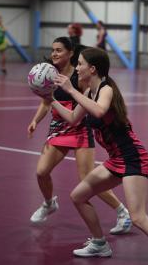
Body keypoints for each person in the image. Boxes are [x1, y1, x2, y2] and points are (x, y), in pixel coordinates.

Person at [51, 47, 148, 265]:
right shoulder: (89, 90)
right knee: (78, 196)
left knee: (138, 217)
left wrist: (69, 90)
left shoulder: (106, 89)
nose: (76, 68)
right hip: (115, 160)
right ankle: (99, 243)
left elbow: (99, 110)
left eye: (79, 64)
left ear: (92, 69)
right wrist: (51, 100)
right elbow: (71, 118)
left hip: (132, 158)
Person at [28, 37, 132, 235]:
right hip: (59, 127)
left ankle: (122, 212)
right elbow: (46, 101)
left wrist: (72, 92)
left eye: (59, 50)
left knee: (87, 178)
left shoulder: (79, 77)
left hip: (79, 127)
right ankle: (49, 203)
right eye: (53, 50)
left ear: (70, 53)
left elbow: (87, 102)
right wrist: (35, 120)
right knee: (41, 172)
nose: (54, 54)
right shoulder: (50, 73)